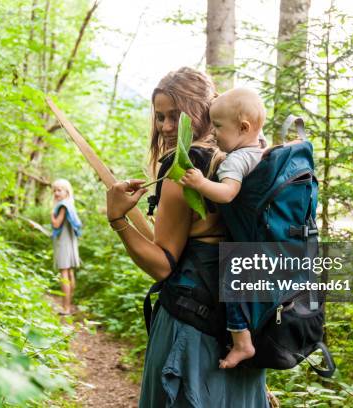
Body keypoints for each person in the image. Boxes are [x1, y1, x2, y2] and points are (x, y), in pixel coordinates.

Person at [105, 67, 269, 407]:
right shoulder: (241, 160)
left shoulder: (186, 167)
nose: (165, 127)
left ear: (202, 111)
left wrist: (118, 217)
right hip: (241, 334)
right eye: (160, 117)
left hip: (191, 332)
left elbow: (163, 265)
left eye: (175, 116)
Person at [179, 87, 267, 369]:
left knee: (231, 283)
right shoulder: (263, 150)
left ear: (243, 127)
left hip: (244, 243)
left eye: (218, 126)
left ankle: (242, 343)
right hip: (266, 240)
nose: (213, 133)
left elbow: (227, 193)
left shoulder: (237, 159)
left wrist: (199, 184)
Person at [51, 178, 82, 315]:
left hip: (64, 243)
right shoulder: (70, 204)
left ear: (66, 191)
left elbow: (57, 224)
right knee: (69, 273)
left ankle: (66, 308)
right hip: (70, 242)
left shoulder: (63, 205)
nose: (56, 193)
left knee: (64, 273)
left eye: (59, 190)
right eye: (54, 190)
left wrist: (52, 215)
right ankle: (69, 305)